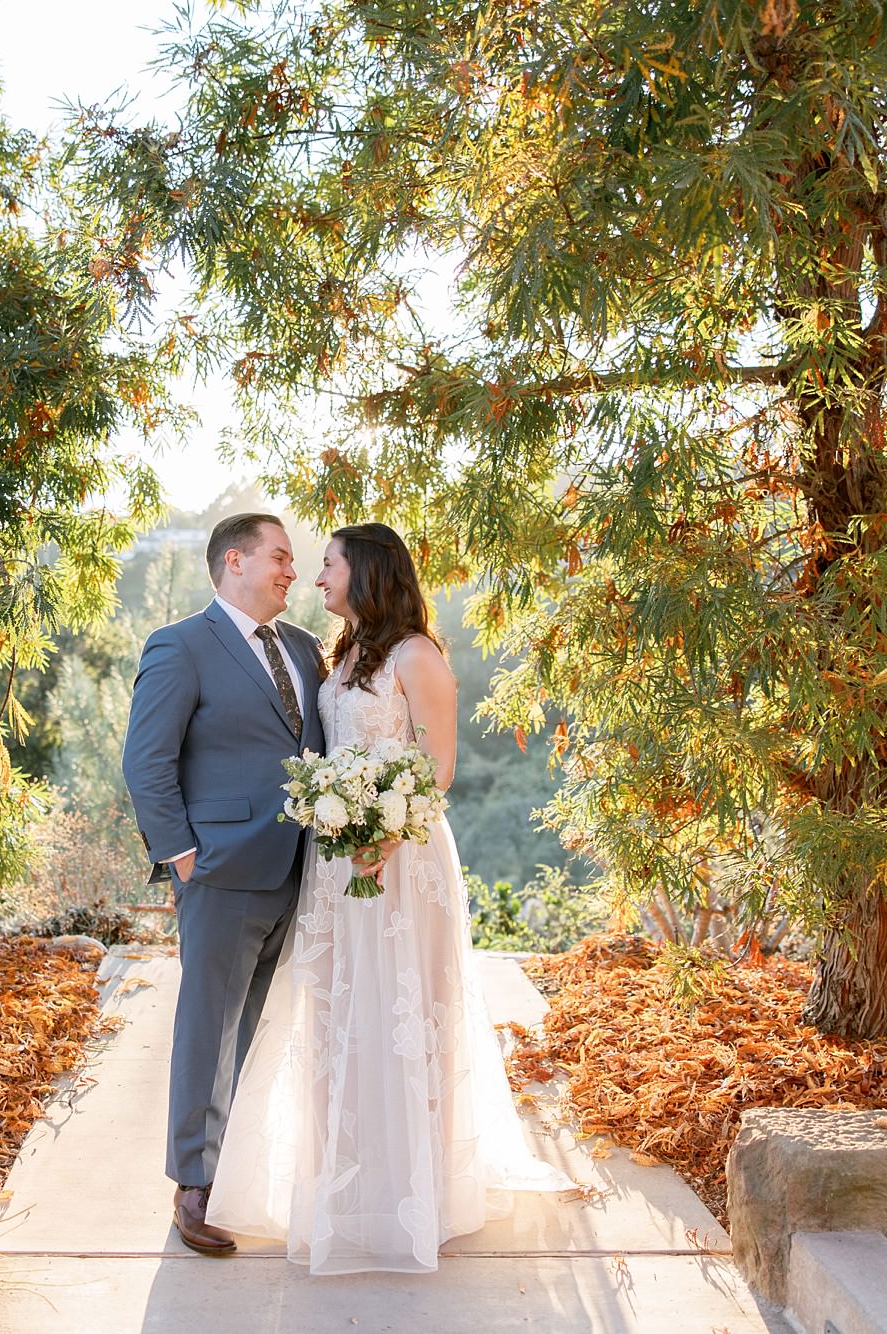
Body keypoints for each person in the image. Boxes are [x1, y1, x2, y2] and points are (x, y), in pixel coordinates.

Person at [204, 521, 570, 1274]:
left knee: (408, 1013)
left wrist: (387, 833)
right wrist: (344, 827)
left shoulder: (417, 655)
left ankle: (417, 1189)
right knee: (341, 1012)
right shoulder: (338, 657)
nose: (316, 578)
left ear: (366, 572)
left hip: (402, 859)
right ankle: (348, 1180)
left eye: (329, 565)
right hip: (337, 862)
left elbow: (438, 765)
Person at [121, 512, 329, 1256]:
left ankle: (241, 1171)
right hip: (218, 868)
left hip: (302, 869)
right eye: (279, 556)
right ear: (234, 561)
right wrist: (181, 855)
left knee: (263, 1030)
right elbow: (147, 760)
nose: (291, 570)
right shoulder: (181, 645)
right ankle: (195, 1184)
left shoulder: (306, 648)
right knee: (208, 1026)